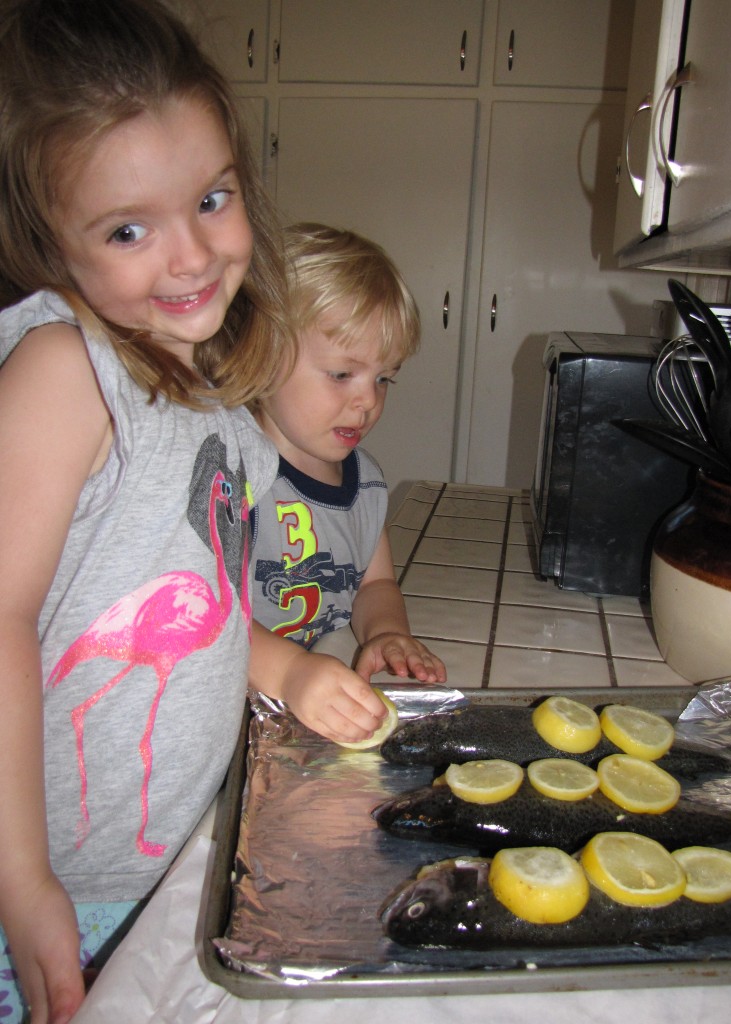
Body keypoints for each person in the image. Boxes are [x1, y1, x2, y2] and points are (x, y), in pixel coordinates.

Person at [0, 3, 385, 1022]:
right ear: (50, 239)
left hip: (163, 865)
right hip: (51, 889)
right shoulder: (61, 372)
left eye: (210, 199)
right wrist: (21, 880)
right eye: (128, 229)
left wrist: (290, 667)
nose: (190, 256)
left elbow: (201, 597)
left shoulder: (215, 395)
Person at [249, 223, 447, 737]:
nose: (368, 401)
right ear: (263, 352)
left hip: (309, 708)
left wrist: (387, 632)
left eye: (383, 378)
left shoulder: (368, 484)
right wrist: (289, 672)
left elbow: (375, 583)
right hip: (231, 707)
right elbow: (206, 616)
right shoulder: (233, 474)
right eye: (342, 374)